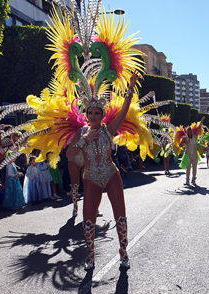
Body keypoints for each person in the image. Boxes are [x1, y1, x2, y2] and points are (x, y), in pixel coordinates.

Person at [67, 71, 139, 270]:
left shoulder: (108, 129)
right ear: (86, 114)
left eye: (96, 113)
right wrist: (84, 140)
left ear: (102, 114)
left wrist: (130, 89)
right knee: (88, 221)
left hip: (111, 174)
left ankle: (124, 252)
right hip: (90, 177)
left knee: (120, 217)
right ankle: (90, 257)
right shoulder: (81, 132)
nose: (93, 116)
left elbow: (124, 112)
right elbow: (69, 155)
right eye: (90, 113)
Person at [180, 117, 205, 185]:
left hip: (194, 155)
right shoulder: (185, 138)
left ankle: (193, 179)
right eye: (189, 133)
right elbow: (180, 145)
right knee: (188, 168)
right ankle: (187, 180)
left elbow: (199, 128)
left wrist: (201, 121)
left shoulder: (195, 136)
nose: (190, 134)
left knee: (194, 168)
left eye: (191, 132)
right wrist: (185, 143)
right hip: (188, 155)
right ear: (187, 132)